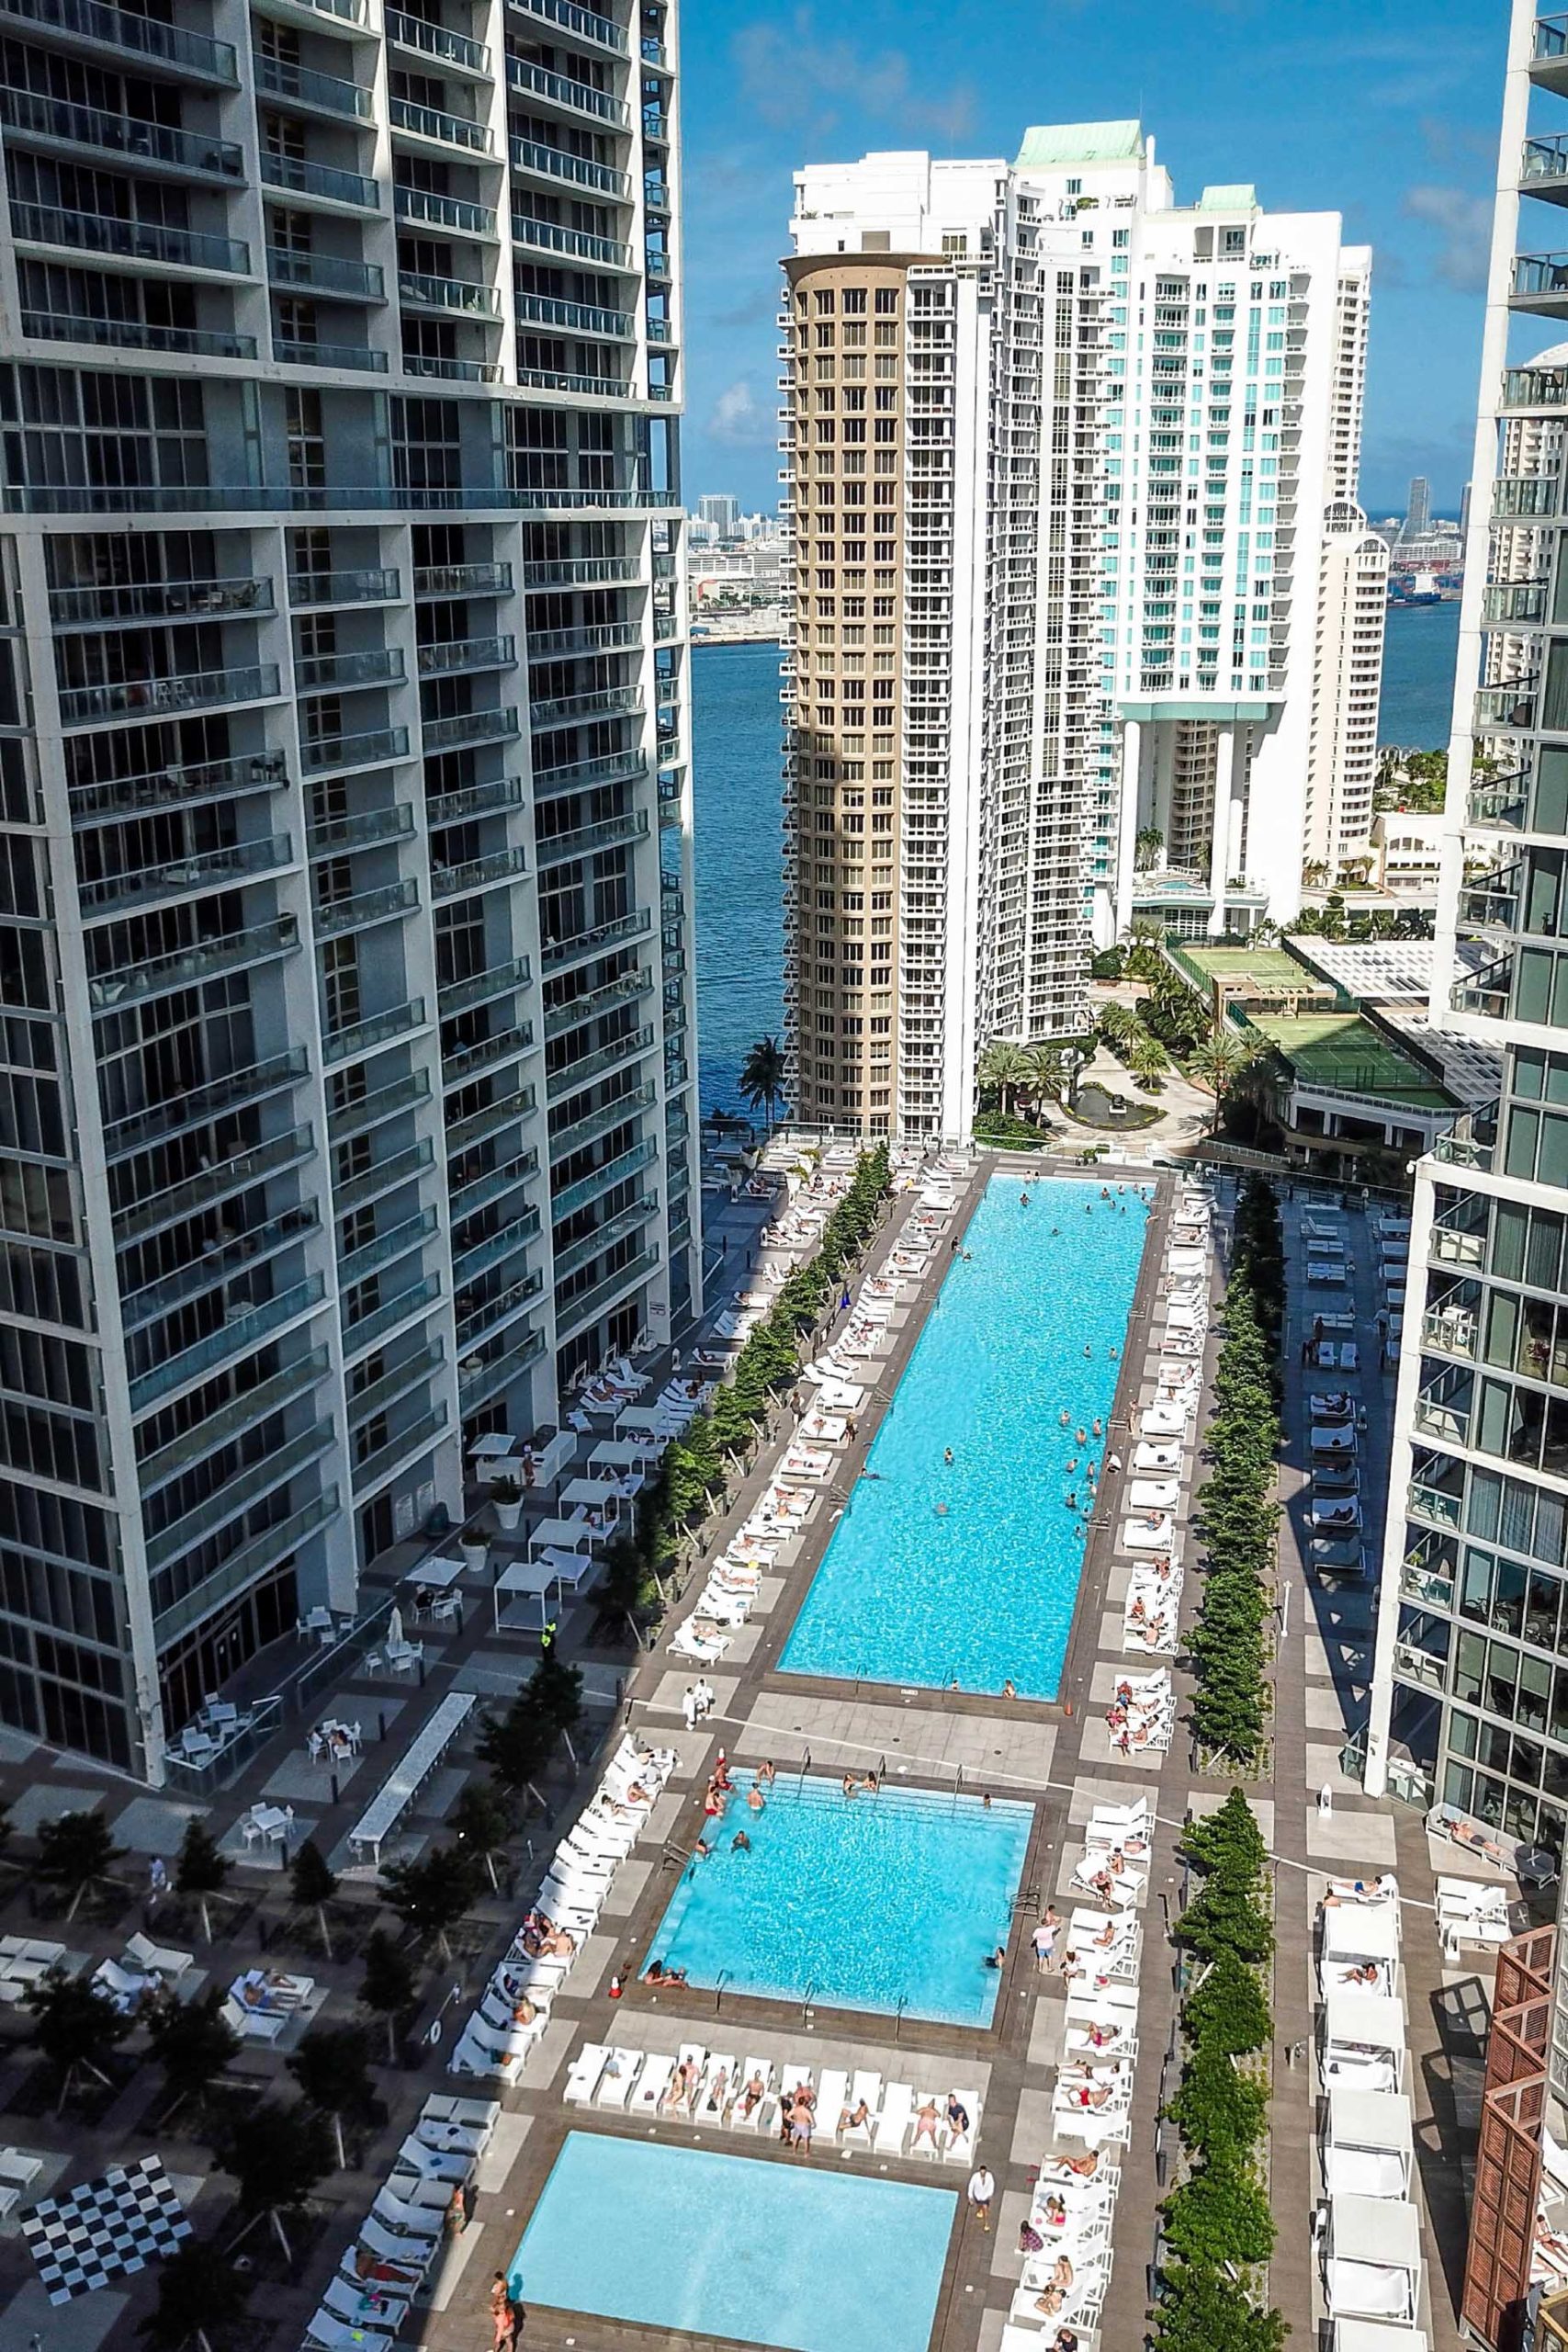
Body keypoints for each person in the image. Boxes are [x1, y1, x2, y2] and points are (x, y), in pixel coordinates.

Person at [966, 2163, 996, 2232]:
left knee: (985, 2208)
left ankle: (986, 2224)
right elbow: (971, 2185)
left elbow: (992, 2185)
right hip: (978, 2195)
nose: (983, 2174)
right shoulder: (975, 2176)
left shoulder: (989, 2176)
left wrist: (990, 2194)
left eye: (984, 2172)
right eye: (981, 2172)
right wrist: (970, 2197)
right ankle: (980, 2211)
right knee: (979, 2205)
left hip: (986, 2196)